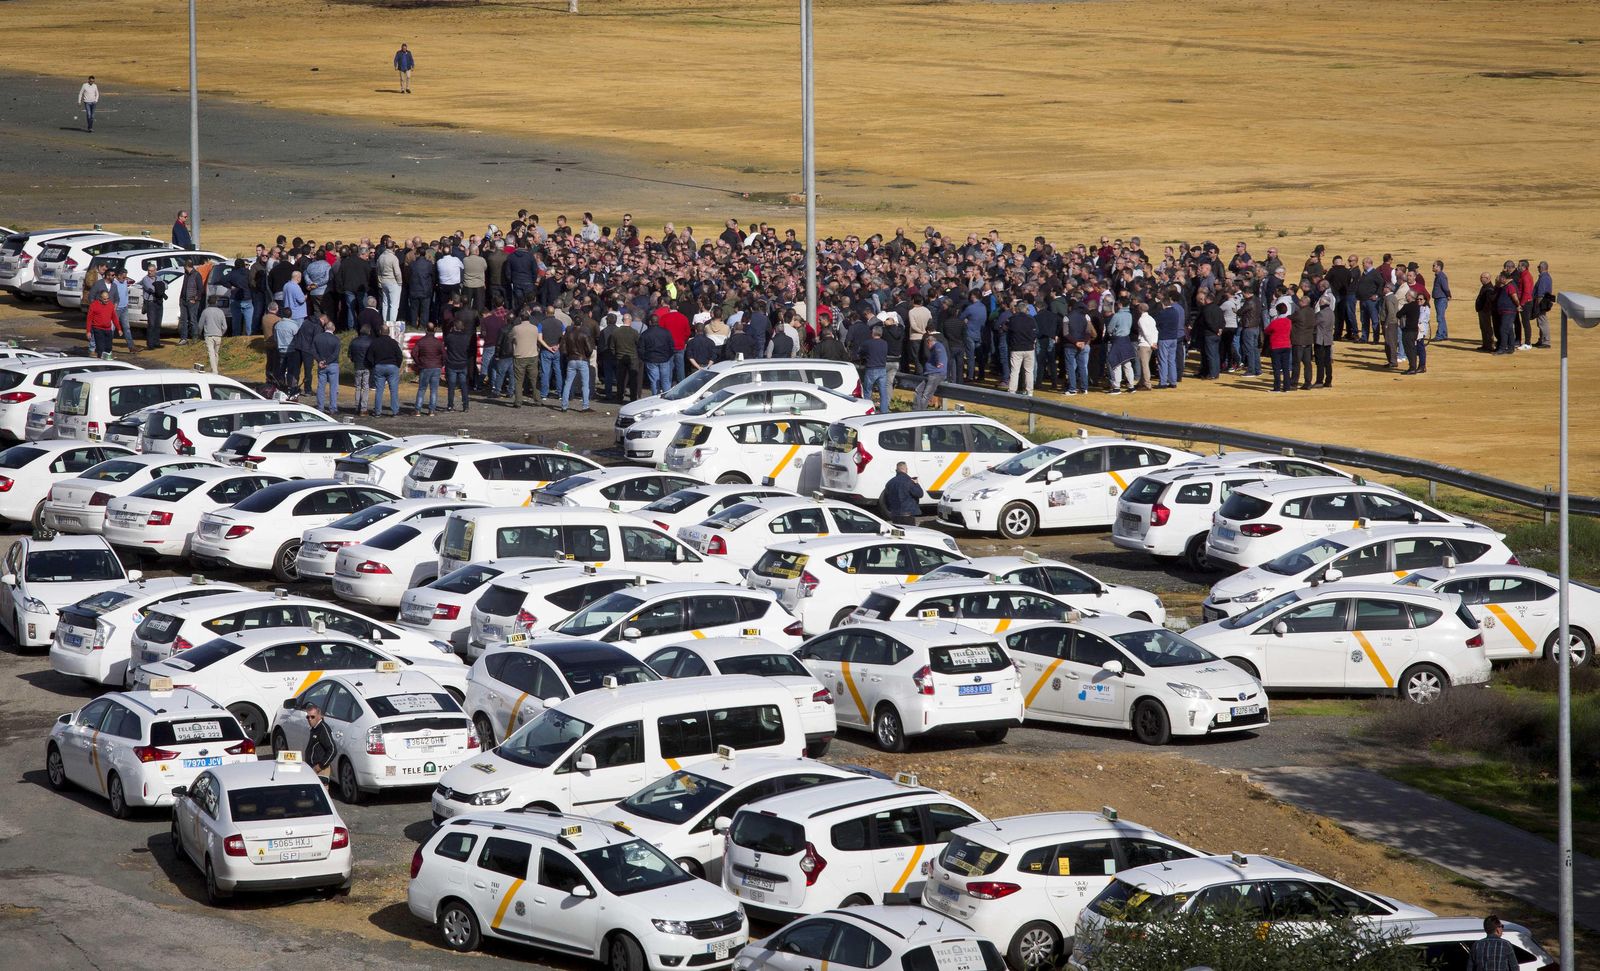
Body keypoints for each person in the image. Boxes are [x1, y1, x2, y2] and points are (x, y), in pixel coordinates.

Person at [367, 327, 404, 416]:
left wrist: (374, 365)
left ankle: (377, 412)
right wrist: (397, 365)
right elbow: (399, 355)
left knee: (379, 390)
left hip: (379, 367)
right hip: (392, 366)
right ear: (388, 332)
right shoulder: (393, 342)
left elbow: (369, 356)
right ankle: (395, 411)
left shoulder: (375, 342)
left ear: (380, 332)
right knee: (393, 390)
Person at [560, 319, 594, 411]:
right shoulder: (584, 334)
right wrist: (586, 356)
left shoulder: (567, 335)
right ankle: (585, 406)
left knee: (568, 383)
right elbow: (590, 349)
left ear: (573, 323)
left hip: (571, 360)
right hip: (582, 359)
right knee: (585, 384)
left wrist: (568, 355)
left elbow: (562, 349)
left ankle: (564, 406)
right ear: (581, 324)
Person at [412, 323, 445, 415]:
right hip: (436, 367)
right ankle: (431, 411)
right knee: (434, 390)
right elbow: (445, 355)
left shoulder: (421, 341)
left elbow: (413, 353)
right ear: (435, 329)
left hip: (425, 367)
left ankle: (417, 410)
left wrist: (419, 363)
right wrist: (441, 364)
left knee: (422, 389)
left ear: (426, 330)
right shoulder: (438, 342)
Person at [508, 314, 540, 407]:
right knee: (534, 379)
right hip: (533, 355)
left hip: (519, 356)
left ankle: (518, 401)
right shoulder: (535, 328)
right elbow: (538, 340)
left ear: (520, 318)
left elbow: (510, 338)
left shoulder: (516, 328)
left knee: (518, 380)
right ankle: (537, 400)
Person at [312, 318, 341, 412]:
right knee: (333, 387)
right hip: (332, 365)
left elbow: (313, 351)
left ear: (325, 328)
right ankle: (333, 408)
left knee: (321, 387)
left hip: (321, 365)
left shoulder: (317, 337)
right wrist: (327, 361)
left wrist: (320, 360)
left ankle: (320, 407)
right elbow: (335, 354)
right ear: (334, 328)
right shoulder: (336, 339)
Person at [444, 318, 473, 412]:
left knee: (451, 386)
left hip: (452, 363)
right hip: (463, 363)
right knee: (464, 386)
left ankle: (450, 405)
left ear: (454, 327)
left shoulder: (449, 337)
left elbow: (445, 346)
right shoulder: (467, 337)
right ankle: (466, 405)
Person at [861, 324, 891, 412]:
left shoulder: (868, 343)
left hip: (871, 369)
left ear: (873, 333)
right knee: (883, 392)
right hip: (882, 369)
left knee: (867, 391)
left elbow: (861, 352)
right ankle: (884, 411)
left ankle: (867, 410)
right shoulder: (885, 343)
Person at [303, 705, 336, 781]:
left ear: (319, 716)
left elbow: (333, 749)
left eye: (312, 717)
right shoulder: (315, 728)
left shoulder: (323, 729)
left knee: (321, 792)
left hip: (321, 771)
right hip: (313, 769)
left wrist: (320, 766)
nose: (310, 719)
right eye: (308, 717)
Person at [1264, 308, 1293, 392]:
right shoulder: (1288, 321)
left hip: (1276, 346)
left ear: (1278, 311)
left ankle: (1277, 387)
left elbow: (1267, 330)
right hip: (1286, 345)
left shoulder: (1275, 322)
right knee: (1285, 367)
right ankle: (1287, 387)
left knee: (1276, 368)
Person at [914, 334, 946, 410]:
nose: (927, 347)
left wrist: (940, 362)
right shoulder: (935, 348)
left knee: (926, 395)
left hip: (936, 374)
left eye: (927, 344)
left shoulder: (937, 346)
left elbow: (939, 352)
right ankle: (916, 410)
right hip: (930, 374)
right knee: (918, 390)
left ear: (929, 342)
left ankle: (921, 412)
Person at [349, 323, 374, 416]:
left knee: (358, 387)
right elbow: (372, 355)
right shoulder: (371, 341)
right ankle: (363, 408)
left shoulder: (354, 341)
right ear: (368, 331)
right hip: (367, 366)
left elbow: (350, 355)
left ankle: (357, 407)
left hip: (357, 366)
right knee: (365, 387)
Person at [139, 261, 165, 349]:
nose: (150, 272)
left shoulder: (159, 278)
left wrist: (159, 287)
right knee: (151, 324)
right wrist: (160, 287)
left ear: (155, 270)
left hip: (159, 302)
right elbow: (151, 288)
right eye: (149, 270)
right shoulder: (145, 279)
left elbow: (166, 286)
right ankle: (150, 344)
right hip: (151, 303)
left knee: (158, 323)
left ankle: (156, 342)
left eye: (152, 270)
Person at [199, 296, 228, 374]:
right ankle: (214, 369)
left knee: (211, 353)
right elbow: (225, 327)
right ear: (216, 302)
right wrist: (221, 333)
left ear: (208, 302)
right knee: (216, 353)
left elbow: (200, 325)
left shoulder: (205, 311)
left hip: (209, 335)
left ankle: (214, 371)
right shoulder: (220, 312)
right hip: (218, 336)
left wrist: (199, 334)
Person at [85, 291, 118, 358]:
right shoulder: (94, 305)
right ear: (100, 298)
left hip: (108, 329)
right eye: (105, 299)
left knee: (108, 347)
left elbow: (114, 317)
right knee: (100, 348)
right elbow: (89, 319)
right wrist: (88, 331)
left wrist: (119, 328)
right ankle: (100, 361)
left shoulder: (110, 304)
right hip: (97, 328)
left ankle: (107, 360)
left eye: (108, 298)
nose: (107, 300)